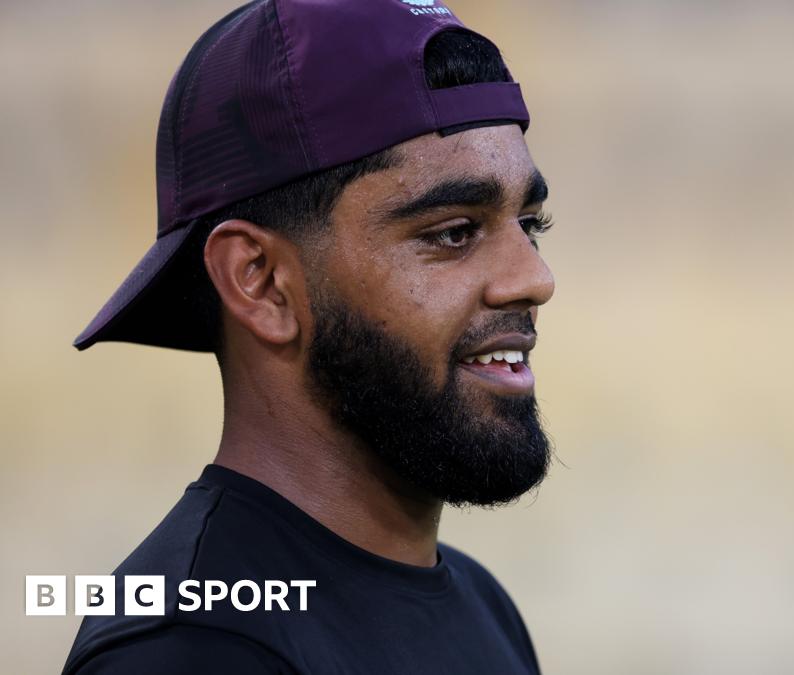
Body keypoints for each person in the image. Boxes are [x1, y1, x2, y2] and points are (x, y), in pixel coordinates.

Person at [63, 1, 554, 672]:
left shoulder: (481, 604)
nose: (533, 278)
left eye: (529, 223)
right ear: (261, 282)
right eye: (453, 231)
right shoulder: (191, 647)